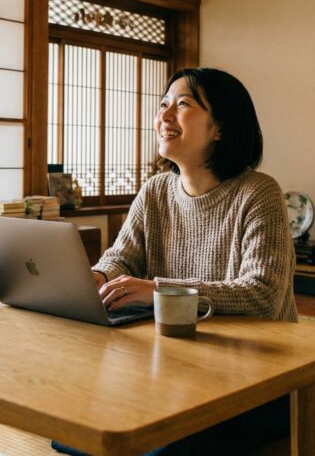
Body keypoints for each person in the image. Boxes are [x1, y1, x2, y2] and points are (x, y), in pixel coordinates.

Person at [52, 67, 297, 456]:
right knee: (73, 430)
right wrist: (99, 277)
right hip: (177, 371)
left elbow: (262, 294)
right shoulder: (156, 190)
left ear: (220, 127)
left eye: (183, 105)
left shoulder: (258, 192)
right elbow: (122, 257)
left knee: (155, 450)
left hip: (257, 378)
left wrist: (157, 290)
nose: (164, 116)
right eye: (163, 104)